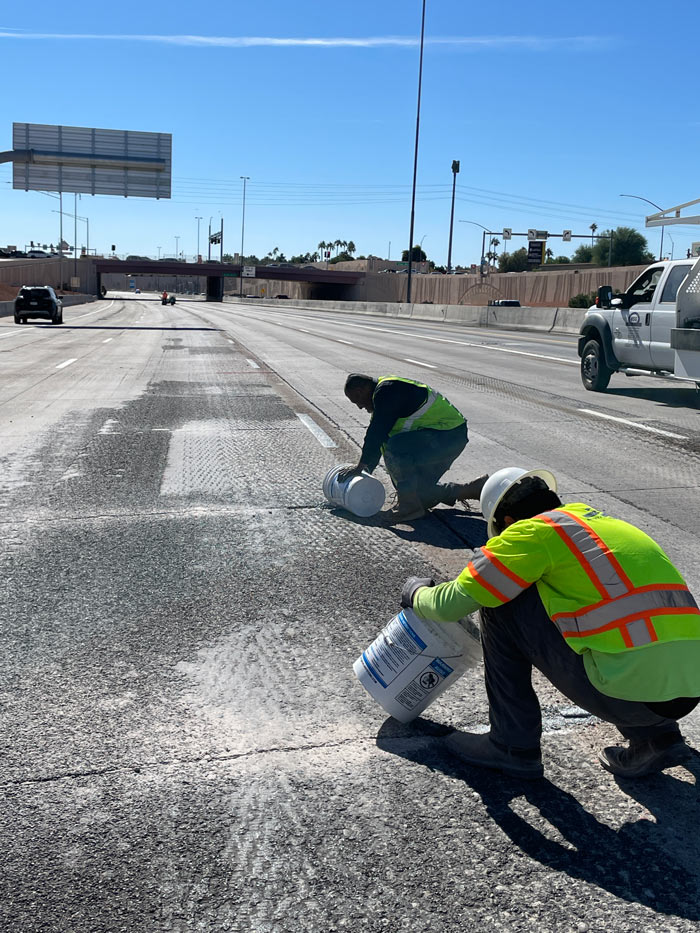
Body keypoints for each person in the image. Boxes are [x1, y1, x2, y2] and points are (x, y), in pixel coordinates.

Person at [401, 467, 700, 778]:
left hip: (630, 696)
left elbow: (452, 602)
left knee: (499, 602)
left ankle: (511, 746)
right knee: (616, 629)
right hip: (688, 690)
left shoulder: (531, 532)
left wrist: (417, 592)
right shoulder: (606, 525)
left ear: (505, 521)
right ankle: (658, 738)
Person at [340, 373, 488, 523]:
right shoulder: (383, 402)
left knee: (396, 446)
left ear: (363, 389)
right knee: (419, 496)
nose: (359, 406)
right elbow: (378, 441)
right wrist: (365, 473)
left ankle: (409, 507)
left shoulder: (387, 391)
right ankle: (472, 489)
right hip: (440, 438)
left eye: (357, 399)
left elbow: (376, 434)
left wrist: (361, 465)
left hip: (448, 434)